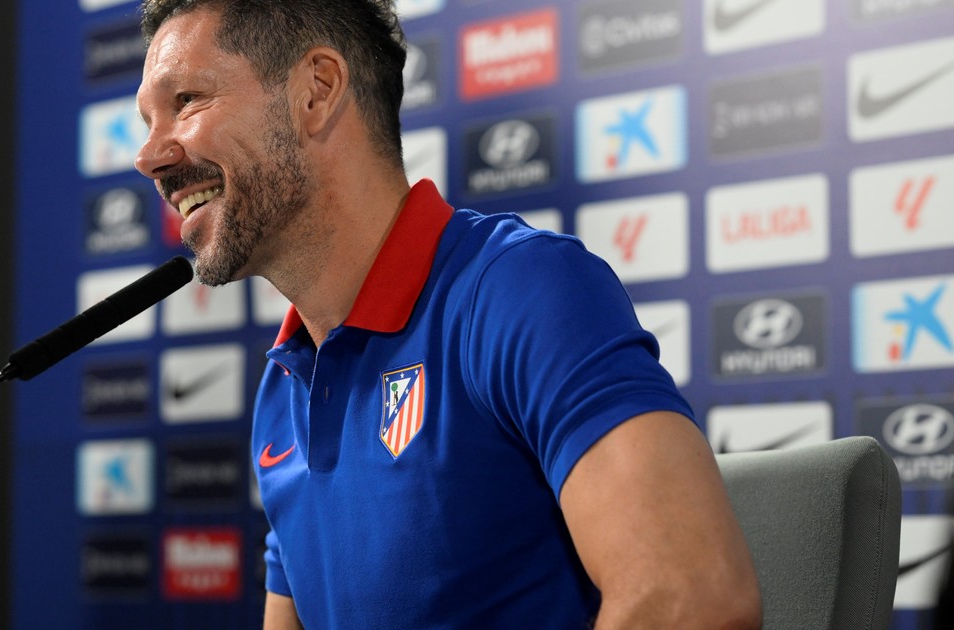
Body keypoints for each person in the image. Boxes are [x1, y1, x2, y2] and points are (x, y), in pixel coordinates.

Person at [134, 1, 762, 627]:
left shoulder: (519, 290)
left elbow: (692, 596)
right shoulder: (283, 384)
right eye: (145, 121)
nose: (149, 156)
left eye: (186, 101)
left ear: (316, 91)